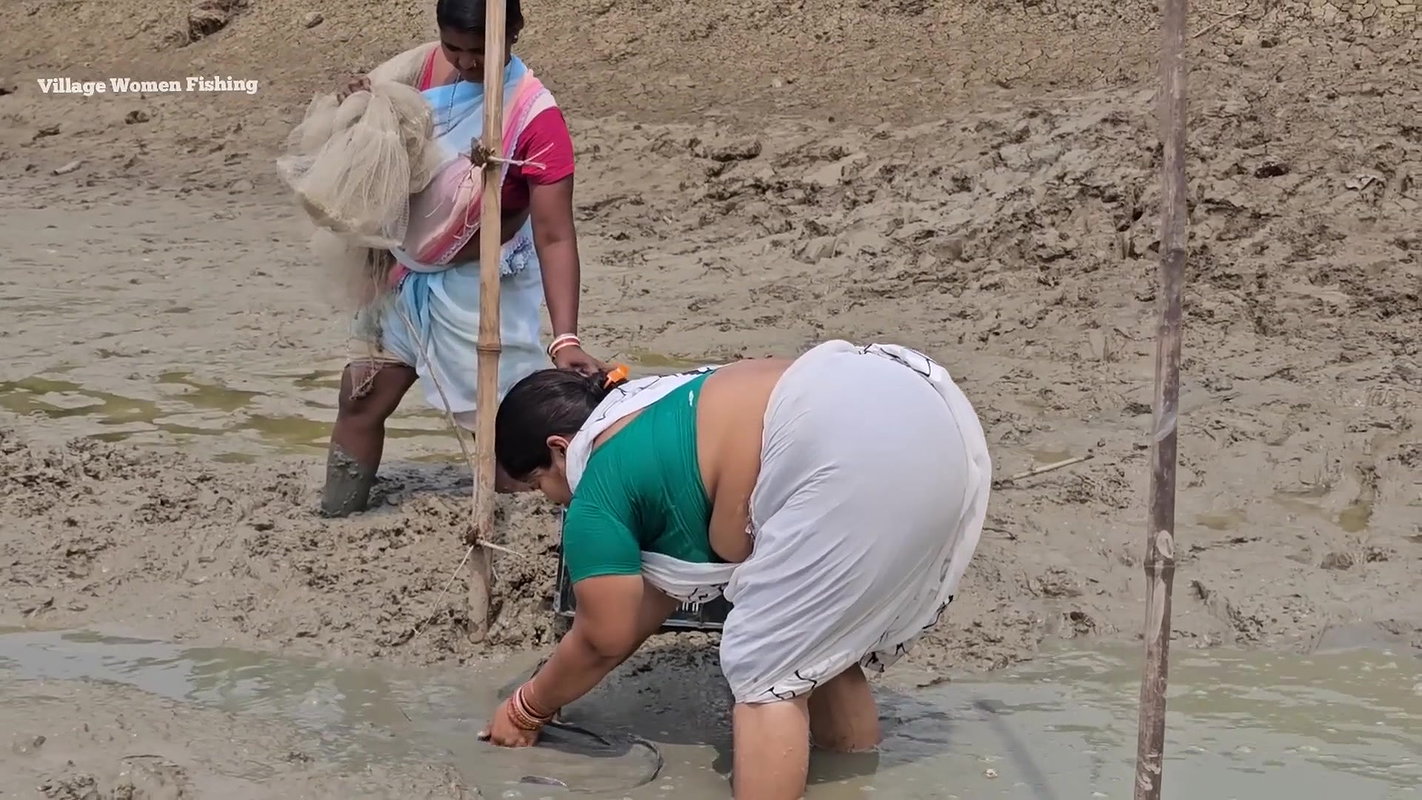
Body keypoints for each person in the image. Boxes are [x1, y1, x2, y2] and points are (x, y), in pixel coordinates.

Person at [480, 340, 993, 800]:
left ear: (559, 448)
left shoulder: (596, 492)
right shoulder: (658, 406)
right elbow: (644, 606)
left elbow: (602, 636)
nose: (550, 500)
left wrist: (526, 707)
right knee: (819, 643)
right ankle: (854, 772)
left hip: (841, 450)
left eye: (535, 486)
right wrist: (548, 698)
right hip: (922, 415)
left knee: (762, 670)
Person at [320, 0, 603, 517]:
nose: (467, 64)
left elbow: (556, 235)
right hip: (400, 274)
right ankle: (335, 517)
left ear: (513, 34)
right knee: (359, 399)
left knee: (508, 440)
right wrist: (362, 108)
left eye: (481, 52)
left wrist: (566, 338)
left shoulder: (534, 117)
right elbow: (379, 153)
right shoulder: (419, 71)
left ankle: (537, 529)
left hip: (478, 290)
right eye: (455, 48)